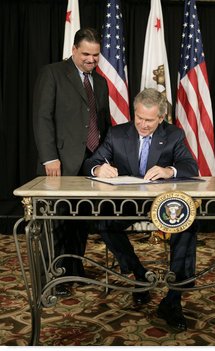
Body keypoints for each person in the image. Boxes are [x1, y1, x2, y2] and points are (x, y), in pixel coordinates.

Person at [84, 88, 199, 331]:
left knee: (187, 225)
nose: (143, 125)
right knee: (104, 221)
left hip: (163, 205)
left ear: (161, 118)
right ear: (134, 113)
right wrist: (98, 169)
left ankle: (173, 299)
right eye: (139, 118)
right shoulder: (117, 134)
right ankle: (139, 275)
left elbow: (190, 165)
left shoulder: (174, 135)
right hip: (128, 203)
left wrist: (169, 171)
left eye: (149, 120)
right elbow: (93, 161)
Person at [33, 27, 111, 295]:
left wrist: (105, 159)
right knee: (55, 222)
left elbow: (103, 124)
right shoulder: (53, 73)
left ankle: (75, 268)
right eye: (86, 54)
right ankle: (53, 277)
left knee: (81, 220)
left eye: (96, 55)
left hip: (91, 163)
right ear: (74, 50)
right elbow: (42, 118)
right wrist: (49, 157)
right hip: (60, 163)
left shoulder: (100, 82)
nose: (91, 60)